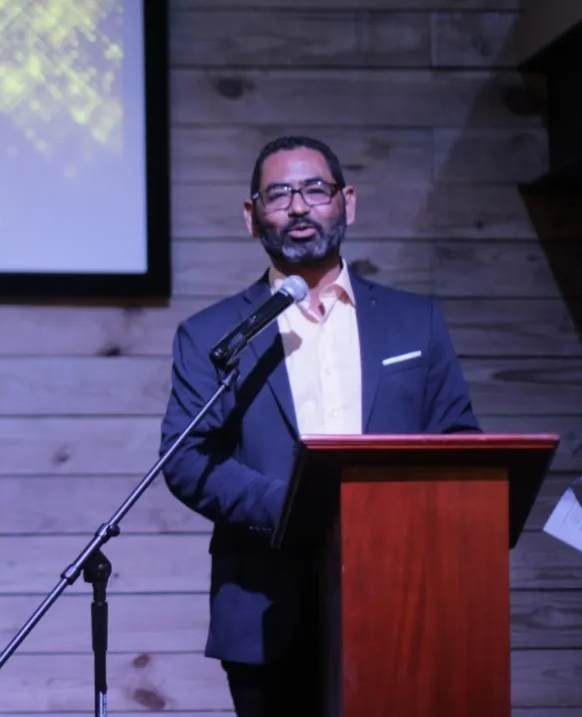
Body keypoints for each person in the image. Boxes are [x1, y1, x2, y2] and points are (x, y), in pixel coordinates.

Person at [158, 135, 481, 717]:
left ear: (347, 203)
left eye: (315, 189)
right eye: (279, 194)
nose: (299, 207)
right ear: (251, 215)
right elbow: (187, 459)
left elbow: (459, 441)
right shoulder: (213, 335)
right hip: (265, 604)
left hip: (403, 593)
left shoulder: (416, 323)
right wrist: (292, 505)